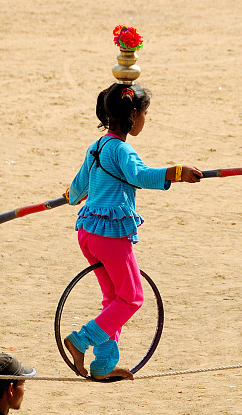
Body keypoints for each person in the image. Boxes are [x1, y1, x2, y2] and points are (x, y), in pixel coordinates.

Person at [65, 82, 203, 380]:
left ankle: (103, 365)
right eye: (144, 113)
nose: (145, 119)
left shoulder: (97, 146)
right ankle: (81, 339)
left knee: (113, 297)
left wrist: (69, 196)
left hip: (88, 231)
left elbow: (79, 188)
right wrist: (177, 173)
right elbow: (140, 176)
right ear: (132, 115)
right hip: (110, 235)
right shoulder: (122, 149)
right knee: (132, 298)